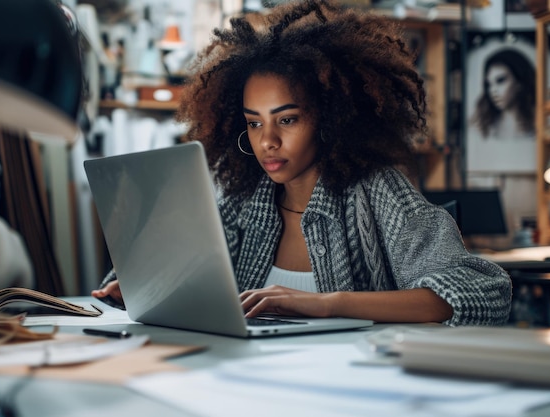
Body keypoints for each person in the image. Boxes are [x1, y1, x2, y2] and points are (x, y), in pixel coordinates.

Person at [93, 0, 512, 326]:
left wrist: (328, 305)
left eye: (287, 119)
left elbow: (483, 291)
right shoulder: (239, 203)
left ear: (330, 117)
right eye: (254, 123)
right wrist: (147, 289)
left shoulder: (377, 191)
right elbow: (195, 290)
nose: (267, 141)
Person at [470, 48, 536, 140]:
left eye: (500, 80)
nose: (493, 90)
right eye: (489, 84)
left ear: (519, 83)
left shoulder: (539, 124)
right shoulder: (480, 129)